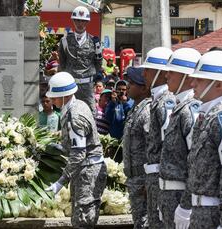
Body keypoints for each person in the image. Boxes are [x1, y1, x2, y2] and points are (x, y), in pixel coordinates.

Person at [45, 72, 107, 228]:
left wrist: (61, 181)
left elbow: (79, 154)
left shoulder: (75, 116)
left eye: (54, 97)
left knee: (83, 220)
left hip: (88, 172)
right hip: (84, 170)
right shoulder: (76, 104)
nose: (51, 100)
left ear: (64, 95)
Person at [186, 51, 222, 229]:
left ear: (219, 84)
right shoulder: (205, 117)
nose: (192, 83)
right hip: (199, 212)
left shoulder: (221, 119)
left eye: (200, 79)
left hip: (213, 215)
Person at [156, 48, 202, 229]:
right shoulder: (179, 107)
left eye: (172, 71)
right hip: (169, 194)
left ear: (187, 76)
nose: (166, 75)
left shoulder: (190, 110)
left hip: (180, 194)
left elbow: (195, 162)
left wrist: (185, 206)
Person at [141, 46, 175, 229]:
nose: (144, 74)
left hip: (162, 178)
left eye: (148, 69)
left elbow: (167, 146)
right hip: (155, 176)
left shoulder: (165, 102)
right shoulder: (157, 99)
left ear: (162, 73)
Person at [58, 6, 102, 114]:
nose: (80, 24)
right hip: (70, 85)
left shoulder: (95, 42)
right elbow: (62, 64)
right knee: (68, 113)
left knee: (90, 114)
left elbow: (98, 63)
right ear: (73, 21)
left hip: (87, 86)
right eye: (77, 20)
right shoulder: (65, 41)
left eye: (83, 21)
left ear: (87, 23)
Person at [122, 66, 151, 228]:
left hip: (142, 180)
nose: (127, 86)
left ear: (144, 88)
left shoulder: (147, 111)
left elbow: (152, 148)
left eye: (131, 83)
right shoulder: (136, 109)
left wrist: (148, 181)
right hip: (135, 179)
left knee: (144, 224)